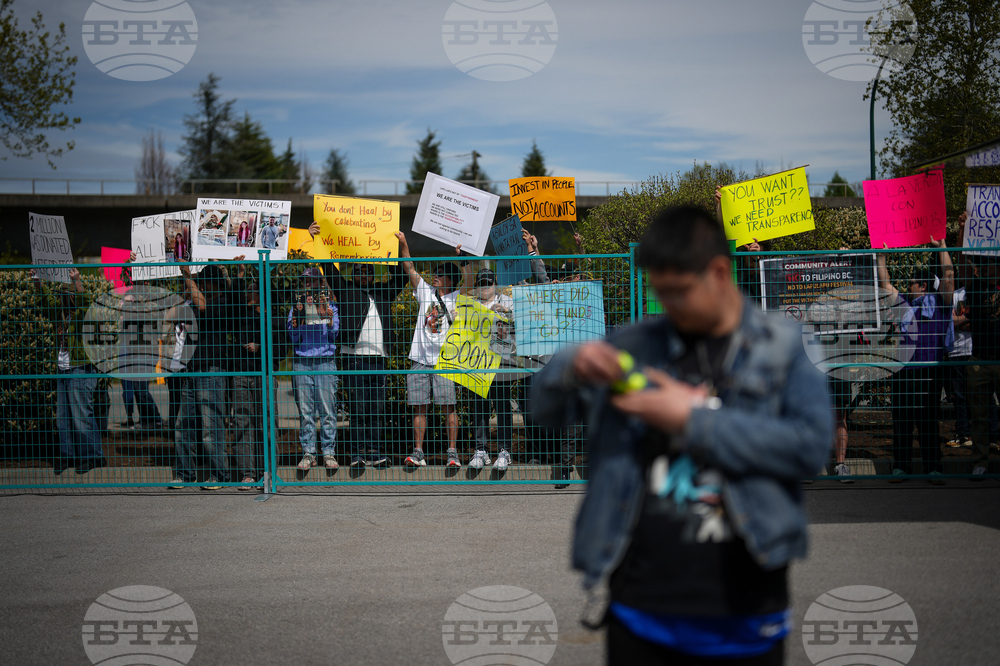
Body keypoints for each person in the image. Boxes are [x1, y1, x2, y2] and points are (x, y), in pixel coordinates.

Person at [531, 205, 832, 664]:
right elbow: (544, 413)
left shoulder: (784, 345)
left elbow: (810, 447)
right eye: (659, 291)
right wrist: (569, 365)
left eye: (678, 291)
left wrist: (693, 420)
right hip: (639, 612)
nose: (666, 304)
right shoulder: (636, 343)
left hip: (745, 614)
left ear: (718, 272)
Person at [307, 222, 409, 467]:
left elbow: (402, 276)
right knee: (358, 409)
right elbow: (328, 268)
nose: (363, 273)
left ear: (373, 273)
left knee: (377, 409)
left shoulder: (384, 291)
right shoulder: (346, 290)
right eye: (359, 270)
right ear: (353, 273)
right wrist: (317, 239)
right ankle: (357, 455)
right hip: (354, 358)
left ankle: (374, 453)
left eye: (367, 270)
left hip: (380, 359)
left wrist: (397, 245)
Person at [877, 238, 953, 483]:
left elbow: (949, 277)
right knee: (902, 420)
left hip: (929, 373)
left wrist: (941, 247)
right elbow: (885, 284)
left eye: (912, 283)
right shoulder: (904, 305)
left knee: (929, 421)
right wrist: (881, 257)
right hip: (904, 371)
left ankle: (933, 467)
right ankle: (901, 467)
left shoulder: (939, 305)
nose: (907, 286)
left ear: (923, 287)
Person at [396, 231, 464, 467]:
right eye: (435, 273)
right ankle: (418, 452)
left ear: (451, 280)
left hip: (445, 362)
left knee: (448, 407)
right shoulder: (425, 292)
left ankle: (452, 452)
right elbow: (409, 268)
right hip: (420, 359)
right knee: (419, 407)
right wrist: (403, 243)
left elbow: (473, 282)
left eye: (441, 274)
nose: (435, 276)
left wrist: (463, 258)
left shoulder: (458, 297)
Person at [169, 262, 238, 489]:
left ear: (213, 284)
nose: (200, 285)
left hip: (211, 370)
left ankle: (219, 474)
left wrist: (188, 276)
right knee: (183, 425)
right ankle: (185, 474)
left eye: (203, 281)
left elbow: (203, 305)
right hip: (191, 369)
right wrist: (185, 287)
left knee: (211, 427)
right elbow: (170, 315)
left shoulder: (223, 302)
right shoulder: (194, 300)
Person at [33, 268, 108, 474]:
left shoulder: (83, 315)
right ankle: (67, 455)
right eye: (62, 295)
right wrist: (37, 281)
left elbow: (85, 302)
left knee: (81, 414)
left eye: (67, 295)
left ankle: (93, 456)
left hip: (80, 368)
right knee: (63, 417)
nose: (63, 299)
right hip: (64, 369)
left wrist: (77, 281)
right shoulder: (60, 314)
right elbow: (44, 300)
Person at [957, 212, 998, 476]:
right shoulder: (976, 286)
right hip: (979, 359)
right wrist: (962, 231)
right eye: (979, 262)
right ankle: (981, 460)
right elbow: (961, 265)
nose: (980, 266)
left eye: (986, 263)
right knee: (980, 415)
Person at [463, 268, 517, 471]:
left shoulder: (507, 300)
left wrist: (506, 312)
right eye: (481, 282)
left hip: (501, 361)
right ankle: (481, 450)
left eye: (489, 282)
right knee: (479, 406)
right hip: (477, 361)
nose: (485, 286)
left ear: (495, 283)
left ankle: (504, 451)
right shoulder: (471, 303)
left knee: (502, 405)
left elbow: (521, 320)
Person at [288, 267, 341, 471]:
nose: (309, 284)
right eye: (306, 281)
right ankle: (309, 453)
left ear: (321, 283)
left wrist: (328, 320)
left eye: (313, 281)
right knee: (306, 411)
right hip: (302, 361)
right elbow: (293, 339)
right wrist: (294, 326)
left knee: (327, 410)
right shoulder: (297, 306)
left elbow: (334, 335)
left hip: (325, 361)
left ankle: (328, 452)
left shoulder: (331, 306)